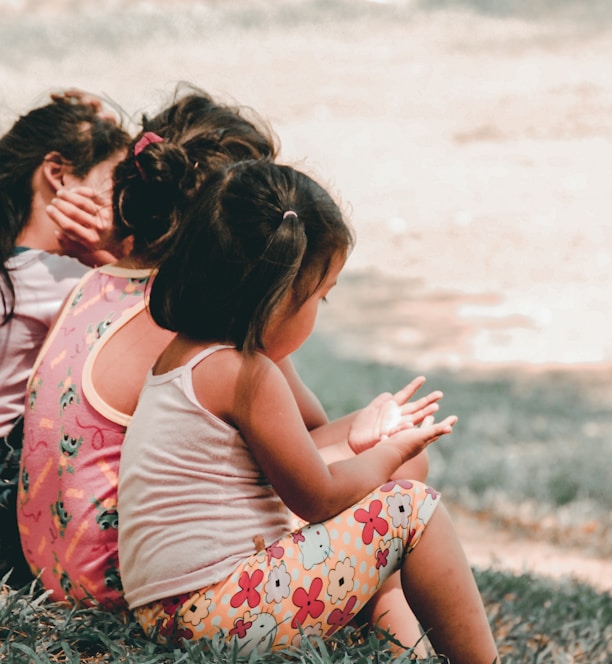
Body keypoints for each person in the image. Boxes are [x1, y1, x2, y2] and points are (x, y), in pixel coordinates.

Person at [116, 159, 499, 664]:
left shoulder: (185, 356)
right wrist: (391, 454)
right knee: (412, 507)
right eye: (320, 295)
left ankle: (408, 654)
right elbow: (317, 497)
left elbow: (294, 459)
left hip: (172, 612)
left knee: (387, 499)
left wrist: (365, 439)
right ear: (277, 296)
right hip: (220, 614)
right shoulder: (246, 374)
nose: (320, 308)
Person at [17, 86, 284, 608]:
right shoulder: (185, 321)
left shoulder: (89, 284)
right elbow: (301, 446)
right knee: (391, 474)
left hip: (53, 570)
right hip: (126, 581)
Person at [0, 91, 130, 586]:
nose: (118, 206)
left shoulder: (16, 270)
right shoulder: (63, 281)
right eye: (111, 183)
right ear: (57, 173)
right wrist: (111, 256)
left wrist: (92, 125)